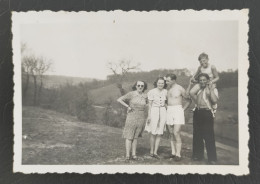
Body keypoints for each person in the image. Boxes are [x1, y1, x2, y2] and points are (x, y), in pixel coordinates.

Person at [188, 73, 218, 165]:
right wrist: (197, 83)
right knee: (197, 135)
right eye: (200, 80)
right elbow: (191, 93)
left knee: (209, 136)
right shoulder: (198, 89)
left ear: (208, 80)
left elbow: (214, 100)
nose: (202, 82)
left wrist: (211, 89)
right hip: (198, 112)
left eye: (204, 80)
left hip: (207, 112)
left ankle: (212, 158)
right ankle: (198, 155)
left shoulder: (213, 89)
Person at [117, 80, 148, 162]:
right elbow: (119, 99)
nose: (140, 87)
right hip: (132, 116)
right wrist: (128, 106)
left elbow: (148, 104)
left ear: (144, 87)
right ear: (136, 86)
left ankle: (134, 155)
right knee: (129, 136)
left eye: (142, 86)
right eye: (139, 85)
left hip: (141, 117)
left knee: (135, 136)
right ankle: (128, 155)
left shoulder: (145, 96)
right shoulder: (131, 94)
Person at [165, 74, 191, 161]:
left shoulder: (180, 88)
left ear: (173, 80)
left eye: (168, 80)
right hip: (169, 111)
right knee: (171, 133)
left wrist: (183, 109)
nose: (166, 82)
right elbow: (166, 101)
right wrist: (167, 107)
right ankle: (173, 153)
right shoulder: (168, 89)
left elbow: (188, 100)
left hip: (178, 110)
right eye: (166, 80)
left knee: (176, 132)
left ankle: (178, 154)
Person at [145, 77, 167, 159]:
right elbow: (149, 105)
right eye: (159, 83)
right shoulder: (151, 92)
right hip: (154, 111)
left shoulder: (166, 92)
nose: (160, 84)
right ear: (156, 83)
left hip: (163, 111)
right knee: (153, 132)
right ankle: (151, 151)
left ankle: (155, 152)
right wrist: (149, 115)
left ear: (164, 84)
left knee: (159, 132)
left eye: (162, 83)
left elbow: (166, 103)